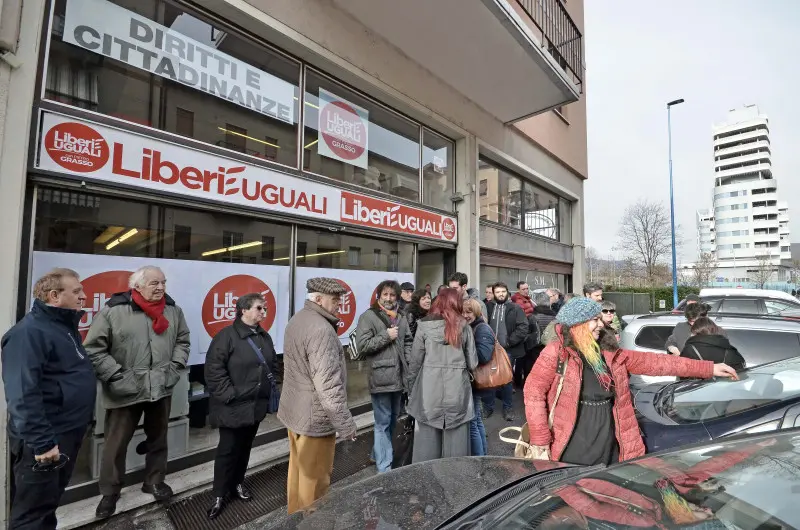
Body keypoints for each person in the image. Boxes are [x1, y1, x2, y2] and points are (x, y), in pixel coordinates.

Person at [523, 297, 738, 466]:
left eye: (600, 318)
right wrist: (541, 437)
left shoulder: (610, 353)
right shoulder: (557, 352)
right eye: (595, 320)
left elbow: (657, 363)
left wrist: (709, 368)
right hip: (573, 438)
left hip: (610, 434)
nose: (601, 324)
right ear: (578, 324)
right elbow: (533, 393)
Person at [85, 266, 190, 519]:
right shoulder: (114, 311)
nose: (161, 287)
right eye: (154, 283)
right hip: (125, 389)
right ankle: (110, 492)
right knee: (115, 445)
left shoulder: (173, 311)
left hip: (161, 386)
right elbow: (94, 349)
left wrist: (174, 368)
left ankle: (154, 481)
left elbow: (183, 341)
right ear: (138, 286)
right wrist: (116, 376)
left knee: (158, 438)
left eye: (163, 282)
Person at [1, 269, 96, 529]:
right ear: (54, 296)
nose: (84, 296)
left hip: (65, 433)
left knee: (47, 506)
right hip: (45, 441)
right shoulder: (28, 333)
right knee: (33, 515)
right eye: (76, 291)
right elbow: (22, 395)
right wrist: (43, 443)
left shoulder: (62, 327)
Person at [278, 278, 357, 514]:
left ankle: (294, 520)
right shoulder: (322, 330)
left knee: (297, 477)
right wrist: (346, 424)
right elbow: (328, 386)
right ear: (319, 299)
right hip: (315, 418)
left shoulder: (298, 319)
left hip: (297, 414)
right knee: (315, 488)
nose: (339, 306)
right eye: (335, 301)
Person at [204, 293, 278, 519]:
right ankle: (218, 494)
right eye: (258, 308)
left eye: (264, 309)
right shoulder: (226, 337)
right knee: (227, 450)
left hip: (255, 406)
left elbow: (273, 364)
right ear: (243, 310)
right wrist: (229, 395)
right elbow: (214, 370)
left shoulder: (264, 337)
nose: (263, 313)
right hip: (232, 407)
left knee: (245, 448)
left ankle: (237, 483)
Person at [407, 289, 477, 462]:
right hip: (457, 390)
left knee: (426, 442)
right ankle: (454, 482)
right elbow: (473, 363)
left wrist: (410, 390)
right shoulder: (464, 326)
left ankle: (426, 483)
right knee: (457, 444)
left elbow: (415, 363)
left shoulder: (423, 326)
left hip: (428, 390)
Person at [355, 280, 413, 473]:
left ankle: (376, 453)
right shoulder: (368, 317)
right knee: (382, 422)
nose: (389, 298)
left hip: (399, 377)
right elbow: (363, 346)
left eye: (392, 295)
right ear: (378, 296)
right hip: (380, 377)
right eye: (385, 295)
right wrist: (386, 336)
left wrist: (410, 364)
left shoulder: (402, 316)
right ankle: (384, 466)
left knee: (392, 418)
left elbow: (407, 342)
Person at [483, 282, 528, 422]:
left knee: (506, 379)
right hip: (490, 349)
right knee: (489, 378)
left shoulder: (515, 308)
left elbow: (523, 327)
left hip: (508, 350)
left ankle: (508, 408)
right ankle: (488, 407)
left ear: (507, 292)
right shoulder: (488, 307)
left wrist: (509, 341)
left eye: (503, 291)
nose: (501, 294)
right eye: (498, 292)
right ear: (493, 294)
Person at [463, 298, 494, 456]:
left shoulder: (481, 329)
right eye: (463, 312)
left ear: (476, 312)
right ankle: (483, 455)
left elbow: (484, 356)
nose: (465, 315)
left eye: (469, 312)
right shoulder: (473, 327)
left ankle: (478, 459)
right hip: (475, 381)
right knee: (477, 420)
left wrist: (467, 348)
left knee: (473, 423)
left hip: (478, 380)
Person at [681, 317, 745, 370]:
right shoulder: (730, 349)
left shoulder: (689, 349)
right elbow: (740, 374)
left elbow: (682, 372)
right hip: (725, 385)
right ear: (714, 330)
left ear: (695, 331)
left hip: (698, 385)